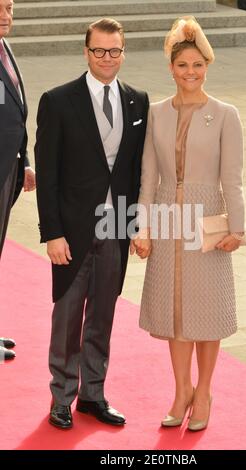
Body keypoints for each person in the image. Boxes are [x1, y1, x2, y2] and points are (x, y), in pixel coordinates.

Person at [131, 17, 246, 431]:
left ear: (207, 66)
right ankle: (181, 392)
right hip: (165, 216)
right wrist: (141, 228)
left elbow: (232, 178)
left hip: (207, 219)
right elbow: (148, 178)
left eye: (198, 65)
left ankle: (206, 391)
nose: (191, 73)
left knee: (206, 311)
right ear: (171, 68)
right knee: (174, 313)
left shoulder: (225, 114)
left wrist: (238, 228)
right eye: (183, 65)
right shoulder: (157, 114)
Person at [35, 18, 149, 430]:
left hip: (114, 229)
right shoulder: (58, 100)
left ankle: (93, 395)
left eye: (114, 50)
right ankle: (61, 397)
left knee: (102, 315)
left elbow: (136, 172)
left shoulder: (138, 101)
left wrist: (133, 226)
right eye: (99, 50)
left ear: (123, 52)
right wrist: (52, 233)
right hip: (72, 231)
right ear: (86, 52)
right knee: (67, 317)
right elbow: (47, 175)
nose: (106, 58)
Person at [0, 0, 36, 362]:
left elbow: (13, 114)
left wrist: (22, 160)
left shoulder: (4, 47)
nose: (6, 16)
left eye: (9, 7)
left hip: (6, 172)